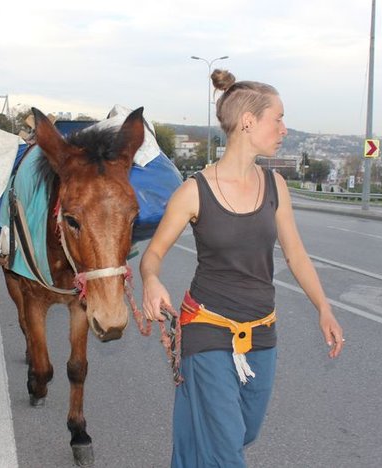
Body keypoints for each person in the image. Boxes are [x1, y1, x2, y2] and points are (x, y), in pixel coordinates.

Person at [140, 69, 344, 467]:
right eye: (278, 118)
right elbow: (153, 254)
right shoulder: (193, 192)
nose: (284, 128)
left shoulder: (276, 186)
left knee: (240, 431)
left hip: (262, 329)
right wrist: (150, 280)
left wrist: (324, 307)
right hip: (207, 327)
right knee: (225, 448)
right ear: (249, 122)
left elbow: (296, 255)